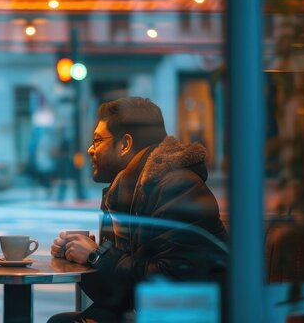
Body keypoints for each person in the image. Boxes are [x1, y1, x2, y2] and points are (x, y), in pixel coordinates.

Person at [49, 97, 228, 322]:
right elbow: (115, 294)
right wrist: (81, 256)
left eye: (97, 140)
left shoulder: (177, 187)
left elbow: (172, 284)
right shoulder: (124, 192)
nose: (89, 150)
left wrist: (97, 256)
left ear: (124, 144)